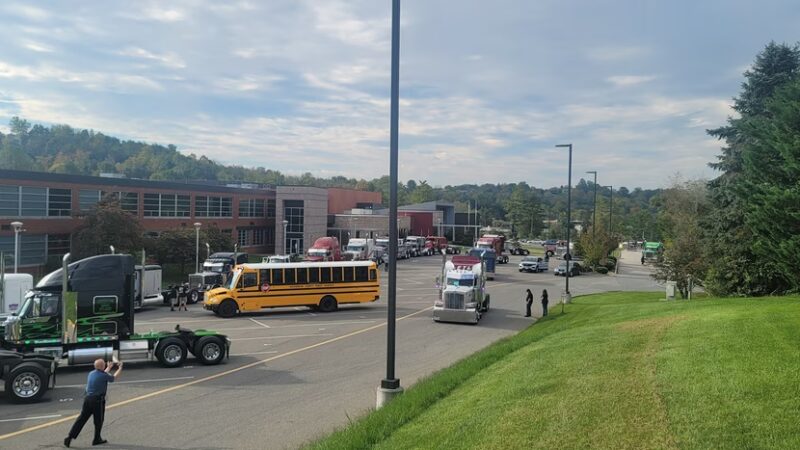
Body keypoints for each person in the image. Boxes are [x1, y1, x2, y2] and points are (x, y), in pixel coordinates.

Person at [64, 359, 123, 447]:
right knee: (98, 420)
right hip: (97, 401)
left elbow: (103, 374)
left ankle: (70, 437)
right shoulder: (103, 375)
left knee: (81, 419)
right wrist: (120, 368)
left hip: (87, 399)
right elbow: (113, 378)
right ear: (102, 366)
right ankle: (96, 438)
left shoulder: (91, 373)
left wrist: (109, 367)